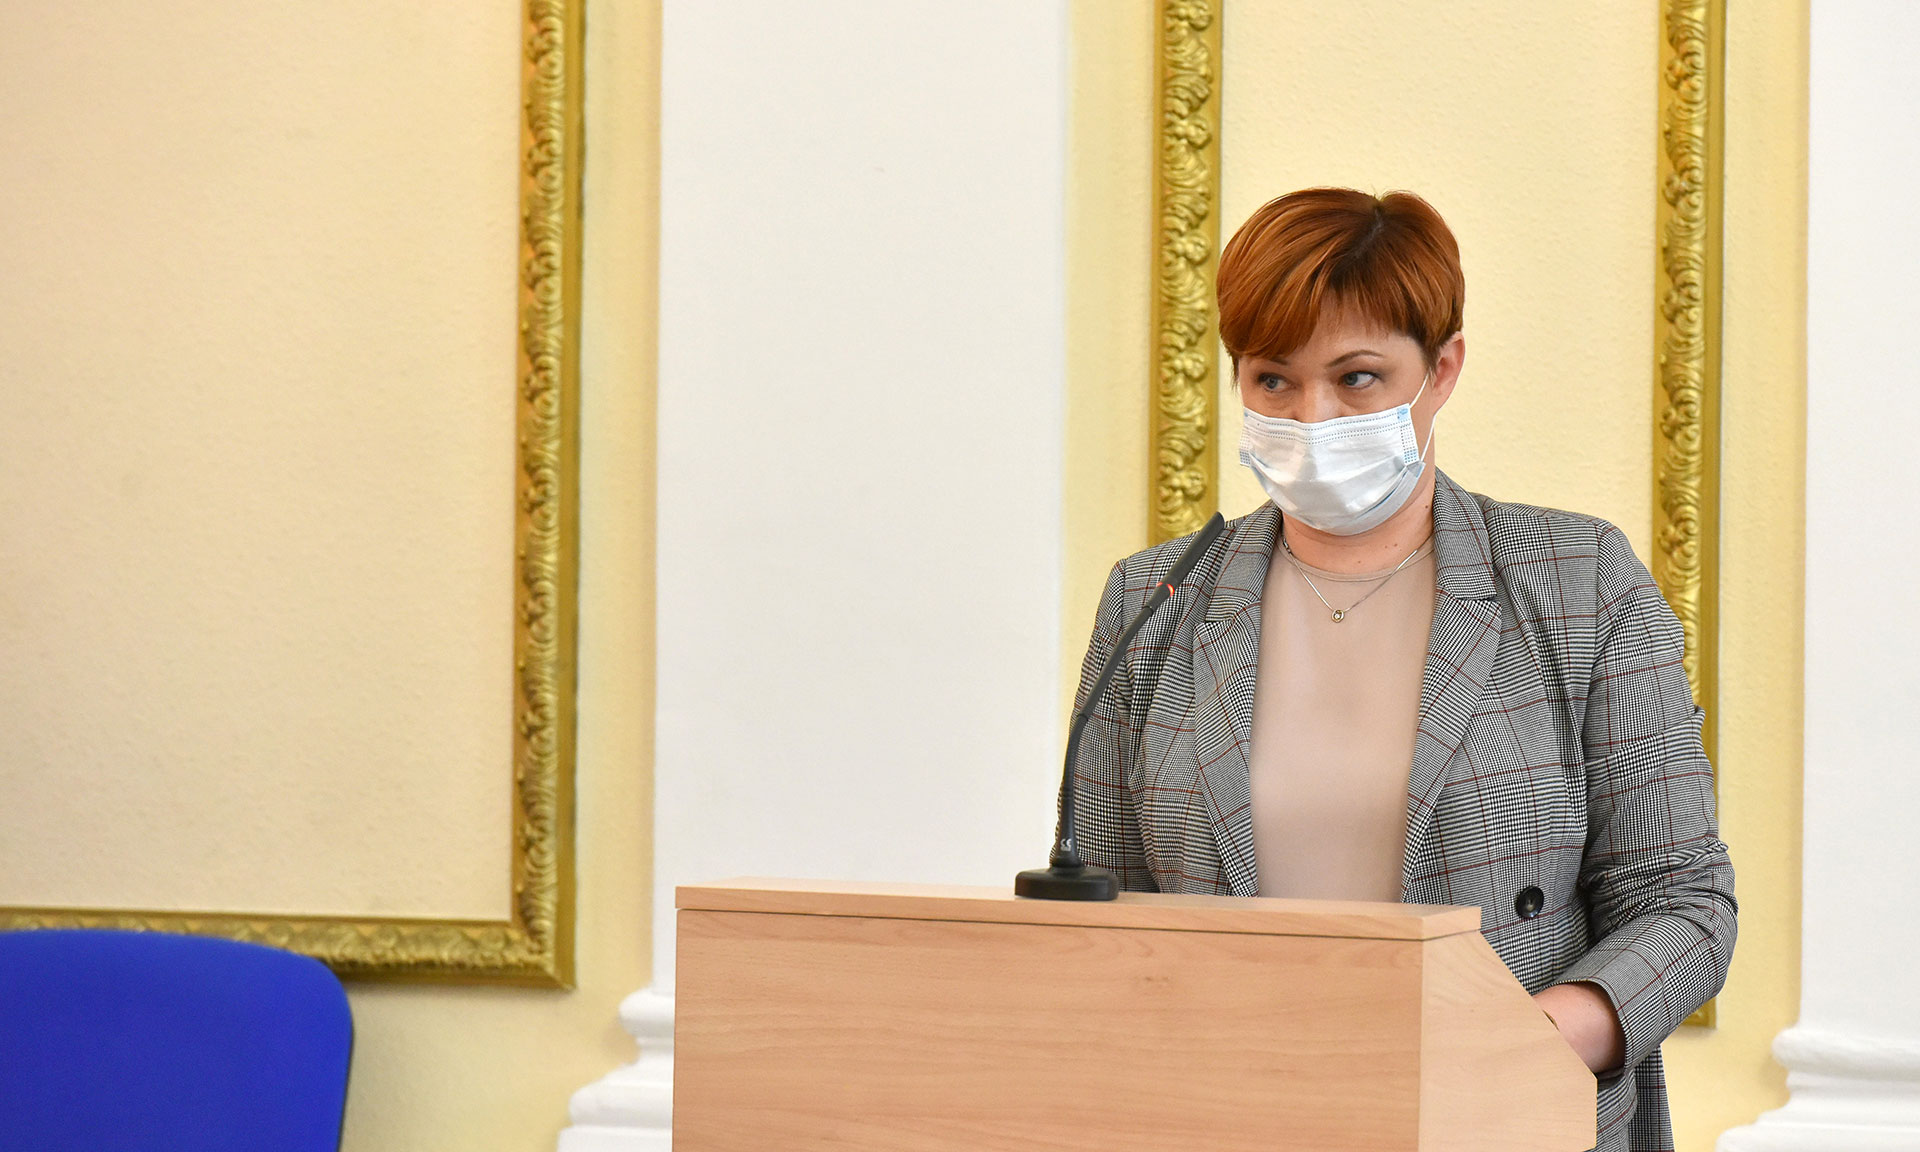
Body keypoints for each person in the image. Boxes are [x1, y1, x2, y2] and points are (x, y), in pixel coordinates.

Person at [1071, 187, 1736, 1152]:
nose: (1313, 416)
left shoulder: (1580, 581)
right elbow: (1099, 916)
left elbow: (1682, 906)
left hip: (1503, 1121)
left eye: (1357, 378)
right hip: (1227, 1120)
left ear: (1443, 369)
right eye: (1273, 380)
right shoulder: (1154, 601)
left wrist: (1514, 1044)